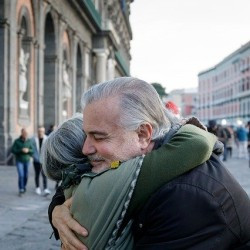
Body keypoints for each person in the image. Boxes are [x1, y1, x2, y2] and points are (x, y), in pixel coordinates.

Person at [50, 77, 250, 249]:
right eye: (86, 135)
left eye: (99, 137)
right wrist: (57, 211)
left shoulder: (186, 196)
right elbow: (79, 178)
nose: (86, 149)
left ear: (143, 135)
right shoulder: (127, 161)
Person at [42, 114, 216, 249]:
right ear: (88, 155)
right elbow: (197, 143)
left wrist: (55, 210)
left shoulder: (75, 187)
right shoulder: (119, 177)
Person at [11, 128, 33, 196]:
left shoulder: (29, 141)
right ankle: (21, 188)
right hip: (19, 161)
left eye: (26, 133)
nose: (26, 134)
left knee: (26, 176)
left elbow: (33, 151)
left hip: (27, 160)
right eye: (24, 133)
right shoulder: (17, 141)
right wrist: (21, 150)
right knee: (21, 175)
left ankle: (24, 186)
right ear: (22, 133)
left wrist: (28, 151)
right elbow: (13, 150)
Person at [31, 126, 51, 196]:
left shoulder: (47, 138)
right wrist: (34, 156)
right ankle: (37, 187)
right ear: (37, 131)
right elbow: (32, 149)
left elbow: (48, 150)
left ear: (44, 131)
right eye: (39, 131)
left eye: (42, 131)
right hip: (36, 160)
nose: (40, 132)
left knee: (44, 174)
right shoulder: (33, 139)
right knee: (37, 174)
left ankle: (45, 188)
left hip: (44, 160)